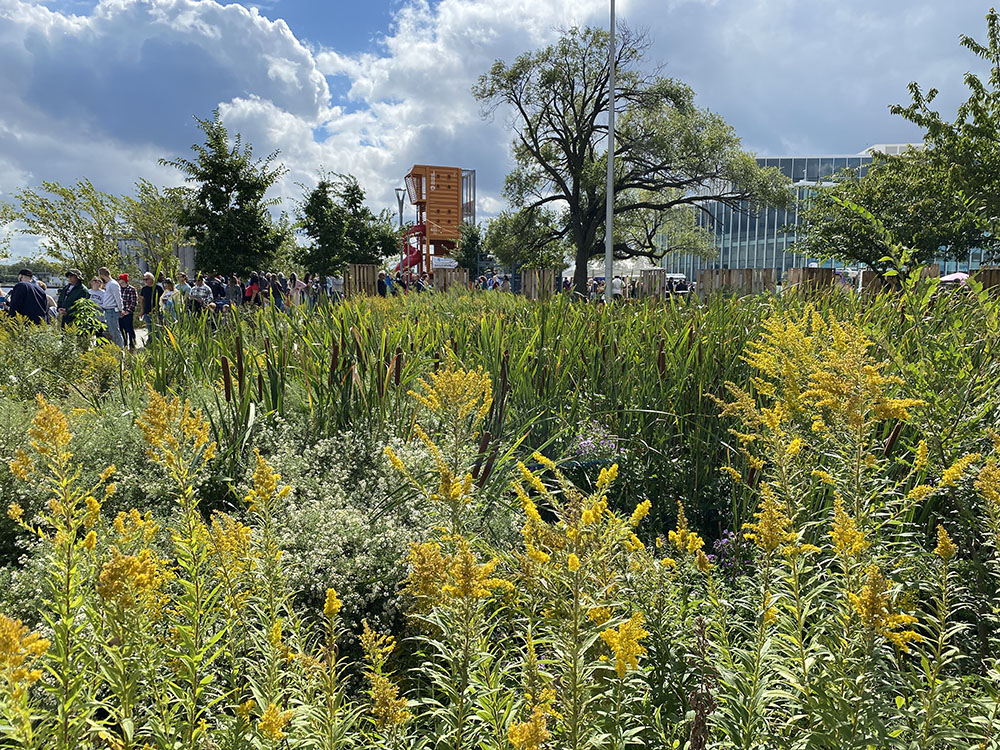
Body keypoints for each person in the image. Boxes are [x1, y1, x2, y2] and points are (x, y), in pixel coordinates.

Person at [97, 267, 125, 347]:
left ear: (102, 275)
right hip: (107, 310)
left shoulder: (113, 284)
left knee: (115, 332)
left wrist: (120, 309)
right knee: (110, 331)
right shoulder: (109, 284)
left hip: (112, 310)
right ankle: (115, 347)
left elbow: (118, 298)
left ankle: (120, 348)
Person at [139, 272, 163, 341]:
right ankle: (151, 340)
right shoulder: (144, 289)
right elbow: (142, 300)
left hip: (157, 311)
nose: (145, 281)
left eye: (146, 279)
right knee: (149, 327)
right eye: (144, 279)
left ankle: (159, 341)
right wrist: (142, 310)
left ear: (152, 279)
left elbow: (163, 299)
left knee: (158, 327)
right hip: (147, 311)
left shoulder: (158, 288)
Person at [118, 273, 138, 350]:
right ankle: (124, 344)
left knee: (129, 329)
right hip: (119, 313)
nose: (119, 280)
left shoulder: (131, 289)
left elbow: (134, 302)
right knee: (121, 329)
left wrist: (127, 311)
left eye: (120, 279)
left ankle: (132, 344)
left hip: (128, 313)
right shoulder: (118, 289)